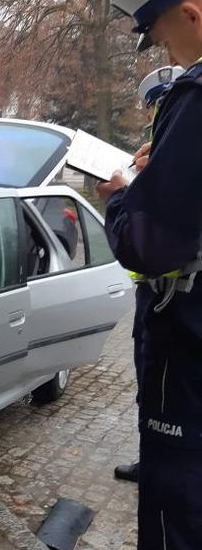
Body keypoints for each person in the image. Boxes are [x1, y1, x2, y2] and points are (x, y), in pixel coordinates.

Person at [78, 0, 202, 550]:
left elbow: (152, 244)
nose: (159, 46)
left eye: (159, 32)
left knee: (175, 516)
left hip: (188, 355)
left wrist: (121, 196)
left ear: (191, 11)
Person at [114, 65, 184, 484]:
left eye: (159, 107)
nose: (156, 116)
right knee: (151, 381)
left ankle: (164, 465)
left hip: (175, 293)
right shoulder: (158, 151)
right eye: (154, 109)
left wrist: (130, 188)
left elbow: (150, 229)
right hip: (154, 295)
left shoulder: (175, 154)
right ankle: (153, 458)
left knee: (168, 385)